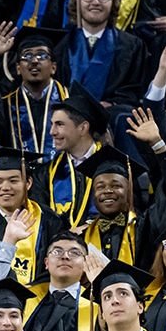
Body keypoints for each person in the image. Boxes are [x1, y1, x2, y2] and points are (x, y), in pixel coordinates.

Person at [0, 147, 64, 285]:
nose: (5, 187)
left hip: (36, 300)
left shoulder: (50, 222)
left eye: (13, 181)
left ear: (28, 183)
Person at [0, 27, 70, 160]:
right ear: (18, 68)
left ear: (53, 67)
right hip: (18, 176)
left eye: (42, 55)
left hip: (62, 176)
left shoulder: (70, 101)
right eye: (27, 56)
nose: (34, 61)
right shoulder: (5, 105)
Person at [31, 84, 108, 227]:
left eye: (59, 124)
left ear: (83, 128)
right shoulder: (46, 174)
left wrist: (90, 228)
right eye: (52, 124)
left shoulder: (113, 167)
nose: (52, 132)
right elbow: (41, 220)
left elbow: (126, 213)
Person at [17, 232, 101, 331]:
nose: (65, 257)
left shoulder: (96, 304)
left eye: (74, 253)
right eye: (57, 252)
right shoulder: (25, 297)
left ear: (85, 264)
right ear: (46, 263)